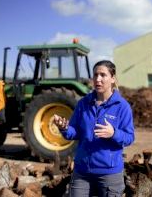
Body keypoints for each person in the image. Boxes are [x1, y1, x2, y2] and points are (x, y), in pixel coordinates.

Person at [54, 60, 135, 197]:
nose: (98, 79)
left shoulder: (122, 106)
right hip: (82, 172)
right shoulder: (83, 103)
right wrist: (65, 128)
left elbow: (129, 138)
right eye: (95, 75)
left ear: (113, 78)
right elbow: (74, 132)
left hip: (109, 174)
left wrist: (113, 133)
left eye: (103, 75)